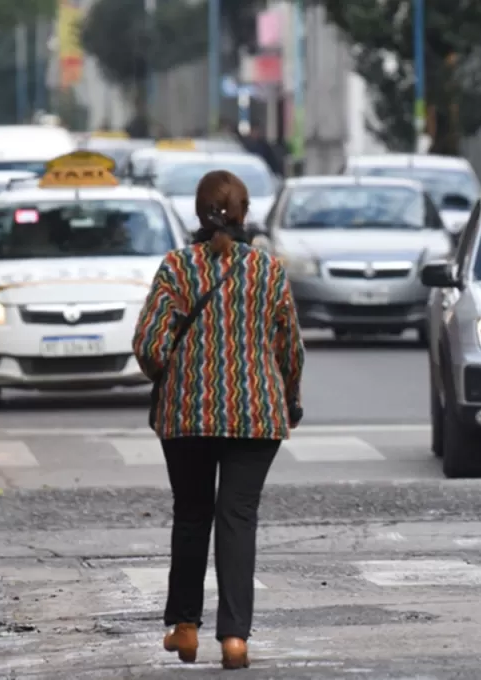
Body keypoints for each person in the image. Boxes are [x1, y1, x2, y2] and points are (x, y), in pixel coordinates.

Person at [132, 170, 305, 670]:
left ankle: (185, 628)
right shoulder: (268, 270)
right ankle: (234, 639)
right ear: (244, 212)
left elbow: (148, 344)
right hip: (256, 414)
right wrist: (289, 398)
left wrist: (168, 372)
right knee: (238, 517)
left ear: (197, 210)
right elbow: (289, 347)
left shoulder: (176, 267)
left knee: (191, 513)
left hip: (186, 412)